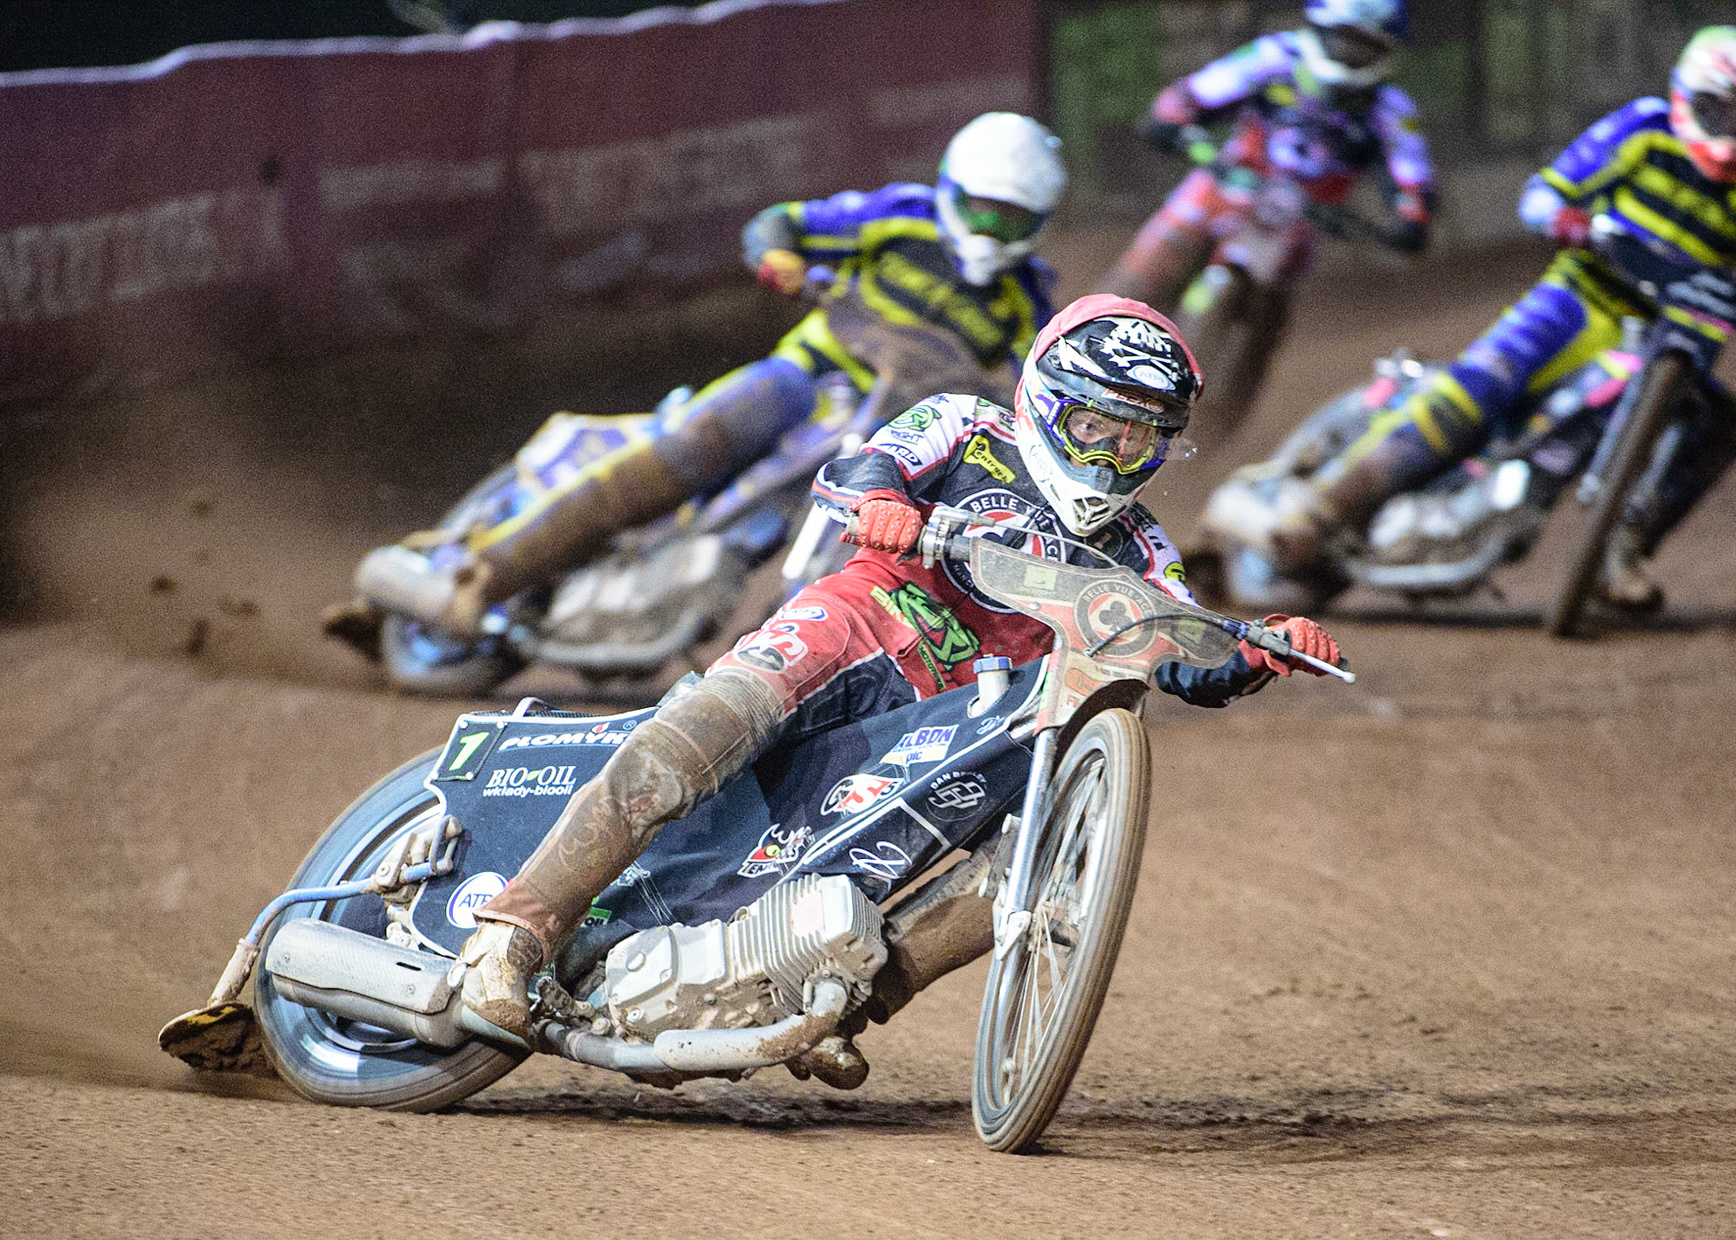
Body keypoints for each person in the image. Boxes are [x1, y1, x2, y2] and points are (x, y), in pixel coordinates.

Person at [455, 295, 1344, 1079]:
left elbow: (1182, 650)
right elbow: (865, 468)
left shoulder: (1145, 552)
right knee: (701, 729)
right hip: (862, 621)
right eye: (1099, 428)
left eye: (1142, 437)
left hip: (962, 716)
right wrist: (886, 505)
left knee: (1025, 871)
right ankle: (515, 931)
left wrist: (1257, 653)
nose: (1116, 456)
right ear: (1048, 405)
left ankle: (840, 1009)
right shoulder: (967, 424)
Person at [347, 112, 1067, 637]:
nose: (992, 232)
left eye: (1013, 220)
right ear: (951, 187)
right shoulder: (898, 218)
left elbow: (1037, 380)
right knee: (696, 444)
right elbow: (782, 221)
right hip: (808, 380)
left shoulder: (1025, 300)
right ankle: (479, 578)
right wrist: (780, 257)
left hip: (888, 432)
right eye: (982, 209)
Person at [1236, 26, 1736, 612]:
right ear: (1690, 97)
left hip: (1681, 335)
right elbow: (1548, 189)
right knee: (1481, 384)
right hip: (1581, 297)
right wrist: (1567, 219)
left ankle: (1622, 553)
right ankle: (1322, 511)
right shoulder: (1647, 128)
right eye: (1724, 111)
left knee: (1720, 428)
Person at [1100, 0, 1434, 318]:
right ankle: (1087, 327)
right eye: (1345, 40)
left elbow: (1411, 171)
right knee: (1151, 259)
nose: (1352, 54)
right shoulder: (1276, 56)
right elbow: (1201, 90)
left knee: (1276, 300)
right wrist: (1171, 117)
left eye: (1366, 46)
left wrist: (1412, 218)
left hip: (1305, 217)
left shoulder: (1391, 107)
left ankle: (1242, 362)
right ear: (1320, 29)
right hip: (1230, 179)